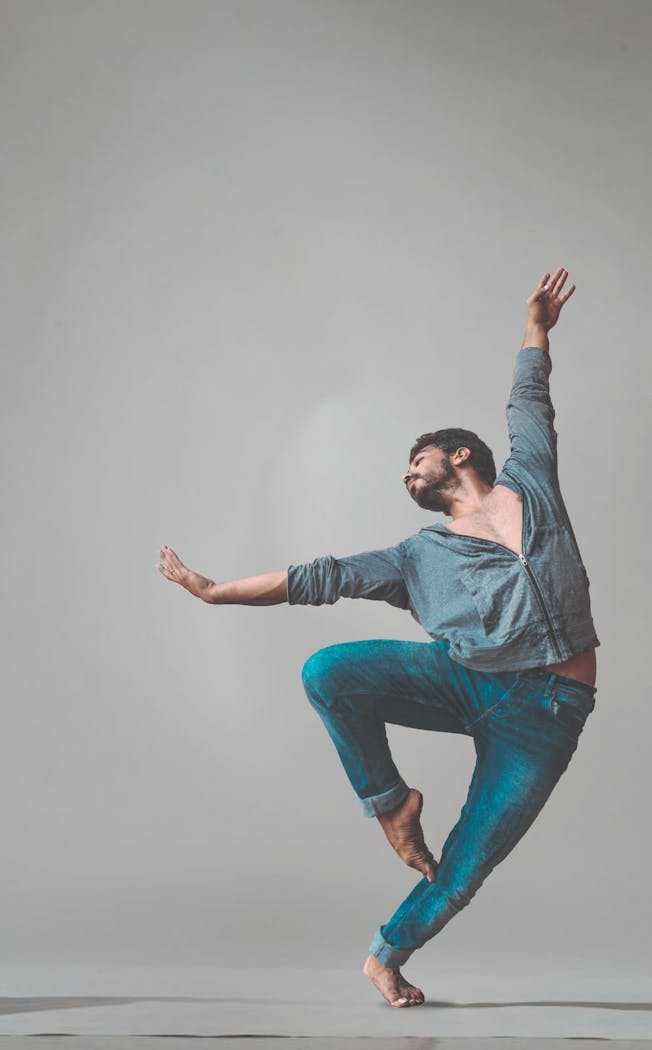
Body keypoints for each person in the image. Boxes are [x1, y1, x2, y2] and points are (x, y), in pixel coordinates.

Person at [156, 267, 600, 1008]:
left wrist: (536, 330)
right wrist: (210, 591)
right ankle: (391, 802)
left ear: (460, 455)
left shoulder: (533, 482)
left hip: (548, 716)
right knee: (330, 670)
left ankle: (384, 957)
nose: (406, 475)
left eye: (415, 461)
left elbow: (528, 404)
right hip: (469, 680)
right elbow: (315, 577)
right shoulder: (415, 557)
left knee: (466, 864)